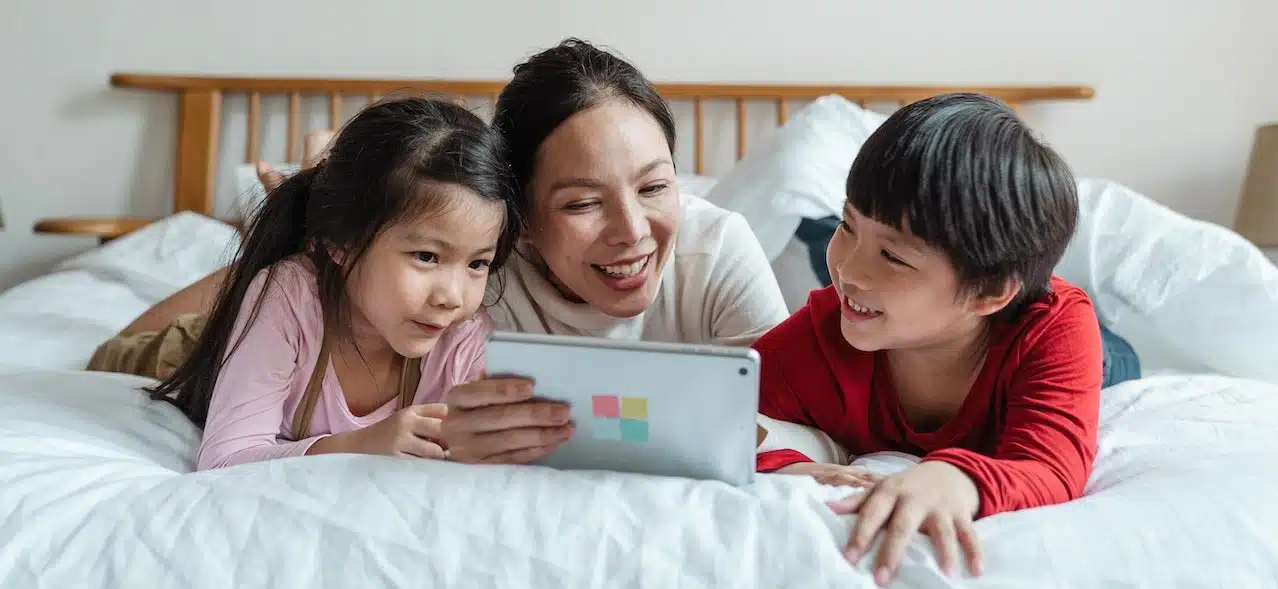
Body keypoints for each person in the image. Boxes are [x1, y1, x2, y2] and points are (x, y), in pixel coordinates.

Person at [88, 38, 792, 464]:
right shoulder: (468, 268)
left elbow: (794, 411)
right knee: (145, 341)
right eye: (580, 202)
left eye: (655, 186)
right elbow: (231, 454)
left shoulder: (469, 306)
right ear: (527, 225)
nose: (633, 231)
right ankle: (299, 211)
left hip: (351, 298)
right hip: (242, 335)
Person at [751, 93, 1103, 585]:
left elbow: (1049, 466)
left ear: (989, 291)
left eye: (893, 257)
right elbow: (718, 424)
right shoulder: (821, 336)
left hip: (1077, 346)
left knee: (1114, 359)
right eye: (848, 227)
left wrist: (957, 477)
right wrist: (790, 468)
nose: (848, 271)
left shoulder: (1053, 328)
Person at [143, 96, 521, 470]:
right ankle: (299, 192)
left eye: (477, 263)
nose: (452, 298)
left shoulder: (464, 336)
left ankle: (312, 173)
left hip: (328, 284)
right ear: (340, 242)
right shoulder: (288, 294)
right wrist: (362, 444)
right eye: (426, 256)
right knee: (127, 348)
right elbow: (225, 459)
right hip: (185, 345)